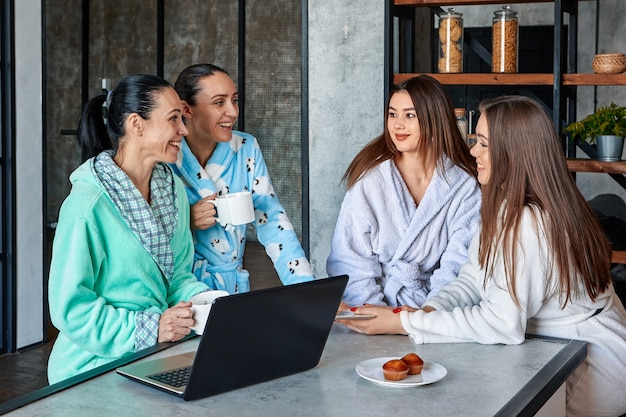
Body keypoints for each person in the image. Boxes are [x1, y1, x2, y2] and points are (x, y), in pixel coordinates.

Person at [341, 95, 626, 417]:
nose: (473, 151)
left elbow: (502, 323)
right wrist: (431, 309)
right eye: (476, 141)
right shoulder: (505, 203)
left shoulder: (529, 221)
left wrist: (405, 322)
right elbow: (472, 277)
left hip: (589, 367)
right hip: (551, 348)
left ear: (514, 152)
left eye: (484, 144)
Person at [47, 74, 213, 384]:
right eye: (173, 119)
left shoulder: (172, 189)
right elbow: (71, 309)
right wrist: (152, 327)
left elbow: (177, 275)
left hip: (153, 355)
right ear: (137, 125)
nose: (184, 130)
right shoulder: (87, 204)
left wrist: (212, 304)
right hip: (90, 368)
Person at [326, 75, 481, 308]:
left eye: (409, 115)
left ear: (434, 119)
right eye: (392, 114)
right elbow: (350, 261)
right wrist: (376, 315)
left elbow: (459, 264)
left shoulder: (463, 186)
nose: (397, 124)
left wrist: (428, 315)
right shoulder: (370, 182)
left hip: (437, 311)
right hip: (372, 310)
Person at [170, 63, 314, 294]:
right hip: (180, 292)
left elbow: (271, 220)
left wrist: (306, 288)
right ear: (187, 109)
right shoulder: (167, 155)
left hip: (233, 289)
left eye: (234, 100)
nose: (233, 112)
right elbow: (144, 234)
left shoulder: (245, 147)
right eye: (219, 102)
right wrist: (186, 222)